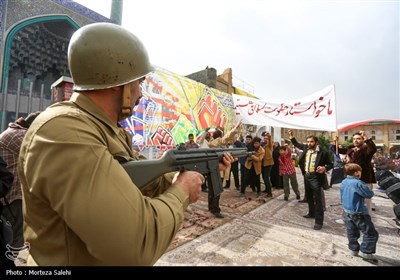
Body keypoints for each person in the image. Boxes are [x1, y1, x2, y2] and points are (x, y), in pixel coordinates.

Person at [18, 22, 234, 266]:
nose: (140, 94)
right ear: (121, 84)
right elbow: (135, 243)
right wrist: (182, 190)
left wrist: (192, 171)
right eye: (138, 84)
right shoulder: (65, 132)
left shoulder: (107, 130)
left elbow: (140, 182)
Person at [0, 112, 41, 252]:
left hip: (10, 195)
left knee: (12, 239)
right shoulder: (19, 136)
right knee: (14, 240)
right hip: (12, 197)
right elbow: (42, 155)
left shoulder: (14, 132)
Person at [289, 130, 332, 230]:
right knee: (309, 196)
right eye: (308, 141)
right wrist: (291, 136)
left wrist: (324, 168)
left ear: (316, 142)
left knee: (317, 199)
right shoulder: (305, 148)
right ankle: (311, 213)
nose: (309, 143)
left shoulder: (323, 153)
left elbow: (331, 164)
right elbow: (296, 144)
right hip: (306, 176)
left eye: (311, 141)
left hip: (316, 177)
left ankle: (319, 222)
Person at [340, 163, 379, 263]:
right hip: (359, 212)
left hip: (347, 211)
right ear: (356, 173)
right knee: (371, 233)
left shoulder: (344, 182)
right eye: (360, 172)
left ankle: (353, 249)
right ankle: (366, 252)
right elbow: (369, 194)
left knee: (352, 231)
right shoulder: (358, 183)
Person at [336, 131, 377, 213]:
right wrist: (335, 142)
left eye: (358, 139)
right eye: (354, 139)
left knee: (365, 201)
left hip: (364, 178)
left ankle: (366, 220)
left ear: (362, 140)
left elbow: (373, 149)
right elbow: (338, 150)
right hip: (350, 179)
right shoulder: (350, 149)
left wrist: (367, 138)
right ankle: (352, 217)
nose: (355, 140)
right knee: (351, 199)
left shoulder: (366, 149)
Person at [207, 122, 241, 218]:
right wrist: (234, 128)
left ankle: (211, 207)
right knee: (216, 190)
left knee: (212, 189)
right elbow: (226, 138)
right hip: (216, 169)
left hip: (213, 168)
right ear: (219, 136)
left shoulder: (213, 143)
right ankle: (215, 209)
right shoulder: (216, 142)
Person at [261, 131, 274, 197]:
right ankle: (266, 189)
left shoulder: (270, 145)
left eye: (267, 138)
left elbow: (270, 140)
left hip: (268, 163)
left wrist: (269, 136)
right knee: (264, 177)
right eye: (264, 138)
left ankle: (270, 193)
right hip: (263, 163)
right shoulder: (263, 145)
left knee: (266, 177)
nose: (265, 139)